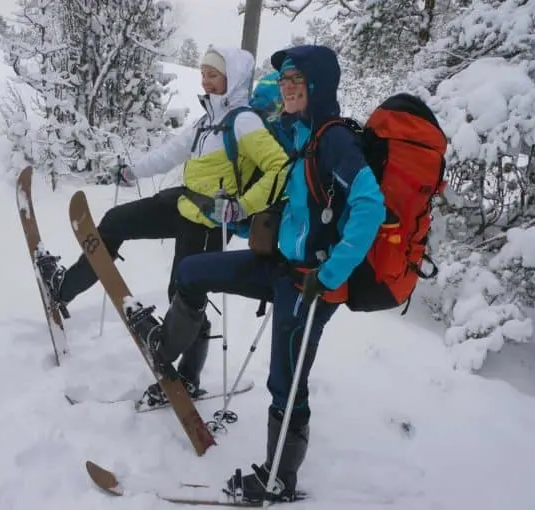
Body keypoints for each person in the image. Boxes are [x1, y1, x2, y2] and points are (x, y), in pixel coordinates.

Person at [146, 45, 386, 502]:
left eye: (298, 81)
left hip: (311, 283)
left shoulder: (333, 139)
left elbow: (370, 206)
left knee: (286, 377)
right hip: (280, 267)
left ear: (317, 87)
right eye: (286, 82)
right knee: (194, 273)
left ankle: (279, 477)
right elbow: (287, 203)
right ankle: (165, 350)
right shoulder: (298, 137)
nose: (290, 89)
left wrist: (329, 274)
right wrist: (235, 217)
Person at [36, 46, 290, 404]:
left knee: (185, 298)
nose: (205, 80)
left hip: (208, 222)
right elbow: (170, 152)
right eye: (203, 72)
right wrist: (131, 170)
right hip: (184, 201)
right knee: (115, 222)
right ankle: (65, 288)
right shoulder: (207, 121)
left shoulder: (244, 121)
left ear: (232, 79)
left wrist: (241, 207)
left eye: (213, 74)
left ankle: (187, 378)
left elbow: (281, 167)